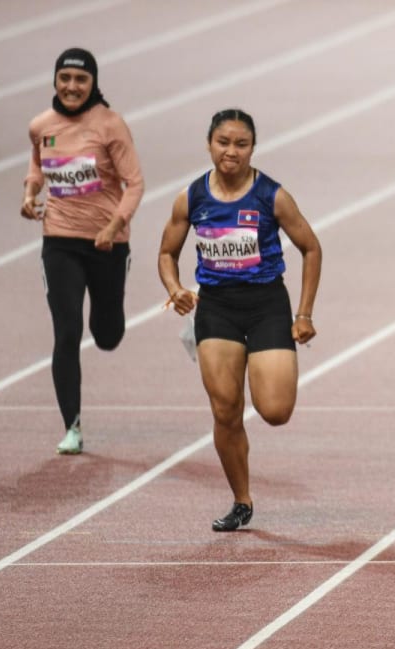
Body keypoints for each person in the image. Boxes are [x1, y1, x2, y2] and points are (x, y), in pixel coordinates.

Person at [157, 109, 322, 532]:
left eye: (241, 144)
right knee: (226, 410)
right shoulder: (191, 197)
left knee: (275, 410)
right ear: (210, 144)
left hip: (266, 304)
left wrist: (303, 313)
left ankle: (265, 371)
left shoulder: (271, 195)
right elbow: (166, 253)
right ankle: (241, 500)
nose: (231, 151)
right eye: (223, 142)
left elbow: (311, 247)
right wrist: (175, 288)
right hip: (216, 309)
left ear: (253, 147)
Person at [20, 47, 145, 455]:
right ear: (55, 81)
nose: (72, 87)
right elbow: (38, 165)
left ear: (93, 83)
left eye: (81, 80)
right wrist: (30, 192)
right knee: (67, 330)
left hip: (107, 244)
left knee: (106, 336)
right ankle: (71, 425)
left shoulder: (109, 125)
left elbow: (136, 183)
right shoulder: (41, 125)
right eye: (65, 79)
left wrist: (114, 225)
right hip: (59, 240)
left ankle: (110, 315)